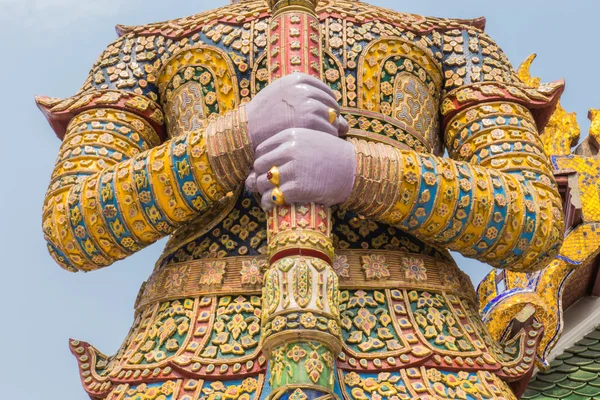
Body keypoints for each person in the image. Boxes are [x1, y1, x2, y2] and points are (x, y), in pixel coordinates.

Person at [36, 0, 564, 399]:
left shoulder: (448, 44)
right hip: (184, 356)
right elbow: (73, 222)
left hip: (425, 354)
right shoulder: (146, 51)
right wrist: (234, 137)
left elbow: (534, 220)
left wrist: (360, 172)